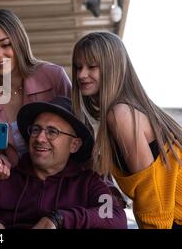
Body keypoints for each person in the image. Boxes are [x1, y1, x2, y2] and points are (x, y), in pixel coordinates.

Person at [0, 97, 127, 229]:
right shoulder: (5, 177)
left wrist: (59, 219)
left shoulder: (88, 183)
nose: (40, 138)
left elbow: (116, 218)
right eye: (36, 130)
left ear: (74, 144)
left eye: (52, 132)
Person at [72, 31, 182, 229]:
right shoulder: (129, 109)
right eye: (78, 67)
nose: (81, 75)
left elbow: (153, 194)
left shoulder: (120, 114)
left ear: (112, 68)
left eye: (92, 67)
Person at [0, 9, 71, 178]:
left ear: (19, 42)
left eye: (5, 44)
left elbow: (81, 135)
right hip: (15, 190)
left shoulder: (54, 76)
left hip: (62, 186)